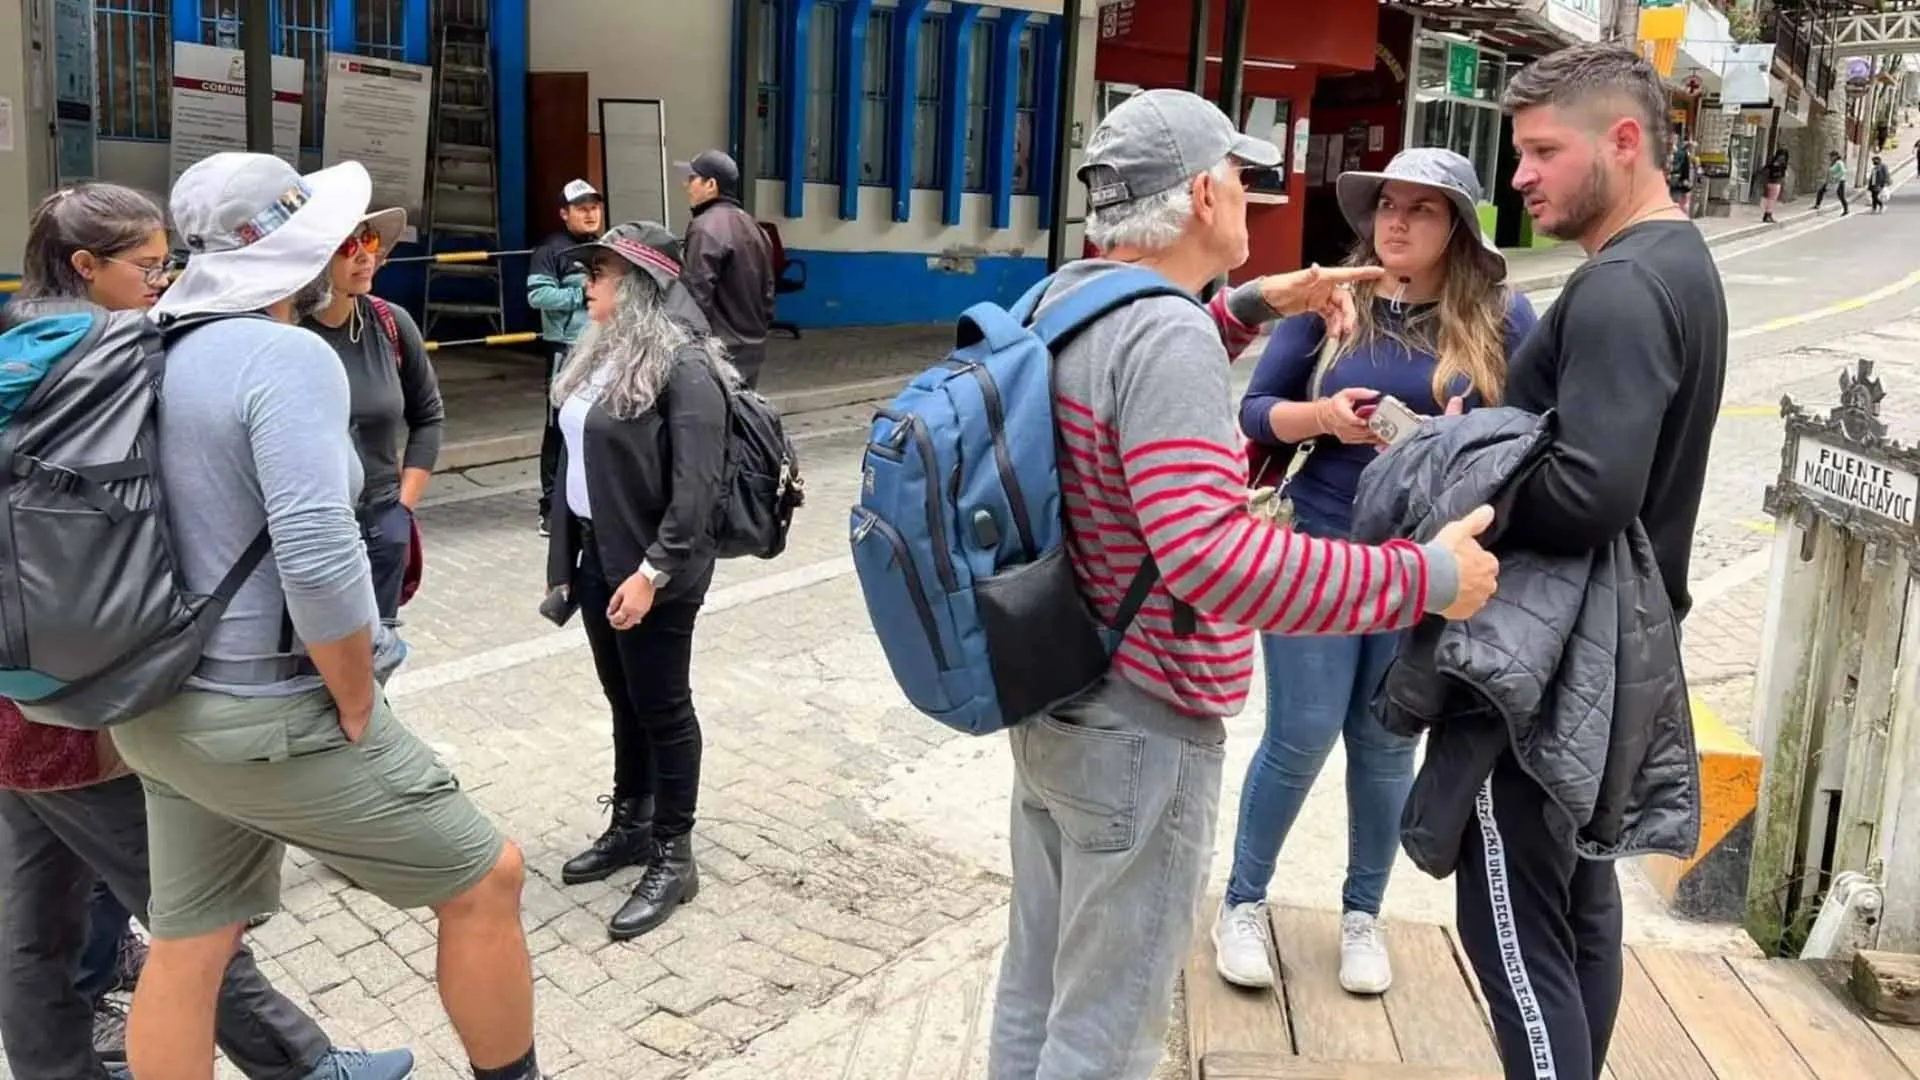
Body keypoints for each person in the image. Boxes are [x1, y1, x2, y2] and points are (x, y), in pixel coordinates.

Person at [986, 88, 1501, 1080]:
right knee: (1106, 1031)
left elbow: (1139, 376)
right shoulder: (1164, 337)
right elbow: (1213, 559)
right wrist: (1423, 576)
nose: (1250, 195)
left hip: (1054, 695)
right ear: (1200, 197)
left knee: (1037, 987)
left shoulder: (1066, 298)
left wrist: (1258, 303)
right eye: (1236, 175)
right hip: (1141, 723)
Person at [107, 153, 543, 1080]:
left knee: (191, 939)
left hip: (155, 703)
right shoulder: (287, 356)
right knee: (486, 877)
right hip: (265, 711)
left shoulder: (145, 343)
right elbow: (315, 550)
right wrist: (354, 693)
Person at [0, 181, 414, 1080]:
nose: (163, 284)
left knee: (35, 921)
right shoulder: (114, 359)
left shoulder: (14, 353)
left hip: (14, 688)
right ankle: (301, 1066)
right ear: (86, 266)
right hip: (86, 701)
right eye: (149, 267)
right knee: (196, 912)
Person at [1214, 148, 1538, 997]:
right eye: (1387, 204)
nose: (1395, 221)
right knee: (1300, 732)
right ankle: (1242, 901)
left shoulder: (1503, 318)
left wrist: (1462, 438)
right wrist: (1323, 416)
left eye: (1420, 209)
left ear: (1458, 227)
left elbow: (1535, 434)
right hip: (1317, 545)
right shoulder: (1335, 300)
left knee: (1387, 741)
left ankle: (1363, 913)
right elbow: (1255, 411)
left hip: (1425, 561)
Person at [1472, 44, 1726, 1078]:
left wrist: (1469, 482)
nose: (1520, 176)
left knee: (1516, 928)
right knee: (1579, 908)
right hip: (1615, 651)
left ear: (1624, 141)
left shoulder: (1621, 285)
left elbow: (1592, 491)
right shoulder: (1678, 262)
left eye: (1543, 151)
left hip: (1555, 664)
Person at [544, 222, 732, 940]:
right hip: (600, 559)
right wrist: (567, 564)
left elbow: (697, 492)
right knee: (623, 697)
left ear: (639, 288)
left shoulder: (685, 367)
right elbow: (572, 463)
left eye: (600, 272)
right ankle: (632, 820)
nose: (586, 282)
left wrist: (653, 572)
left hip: (658, 571)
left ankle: (673, 854)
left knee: (664, 706)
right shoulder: (600, 354)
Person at [302, 205, 444, 620]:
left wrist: (403, 509)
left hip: (382, 522)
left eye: (370, 240)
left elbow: (428, 416)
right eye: (347, 246)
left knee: (380, 645)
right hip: (312, 526)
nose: (364, 256)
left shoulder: (390, 323)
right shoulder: (287, 332)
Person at [529, 179, 606, 535]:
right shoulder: (551, 250)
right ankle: (550, 507)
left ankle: (587, 502)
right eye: (581, 208)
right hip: (566, 351)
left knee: (594, 425)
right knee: (558, 428)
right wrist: (582, 296)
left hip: (602, 347)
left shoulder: (604, 247)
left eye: (594, 207)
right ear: (564, 213)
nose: (590, 214)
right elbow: (538, 296)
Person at [678, 150, 776, 389]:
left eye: (692, 179)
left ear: (711, 185)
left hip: (718, 352)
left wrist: (686, 345)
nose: (686, 185)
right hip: (752, 350)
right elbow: (768, 293)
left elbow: (696, 295)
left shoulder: (705, 227)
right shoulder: (755, 228)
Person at [1814, 150, 1850, 215]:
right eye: (1830, 156)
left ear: (1836, 156)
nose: (1830, 157)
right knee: (1821, 191)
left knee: (1841, 195)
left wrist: (1836, 177)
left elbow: (1843, 171)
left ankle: (1846, 210)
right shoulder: (1834, 163)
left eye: (1832, 156)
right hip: (1831, 181)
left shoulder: (1839, 163)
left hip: (1839, 181)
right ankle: (1817, 205)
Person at [1762, 147, 1789, 223]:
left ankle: (1768, 214)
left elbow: (1766, 168)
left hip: (1773, 182)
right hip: (1774, 182)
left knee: (1771, 199)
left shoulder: (1774, 161)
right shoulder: (1779, 163)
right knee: (1771, 199)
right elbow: (1778, 173)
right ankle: (1767, 215)